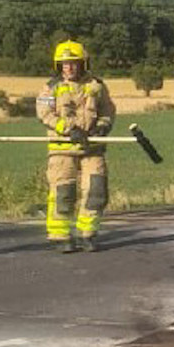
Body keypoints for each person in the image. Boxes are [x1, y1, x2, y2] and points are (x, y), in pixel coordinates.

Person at [36, 40, 116, 253]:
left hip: (92, 147)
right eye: (64, 64)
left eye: (73, 63)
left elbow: (108, 110)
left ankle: (88, 234)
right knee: (64, 192)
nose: (69, 68)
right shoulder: (50, 88)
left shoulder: (96, 86)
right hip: (62, 148)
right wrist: (68, 129)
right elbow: (44, 114)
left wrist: (102, 127)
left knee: (96, 190)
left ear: (83, 64)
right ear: (58, 66)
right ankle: (60, 235)